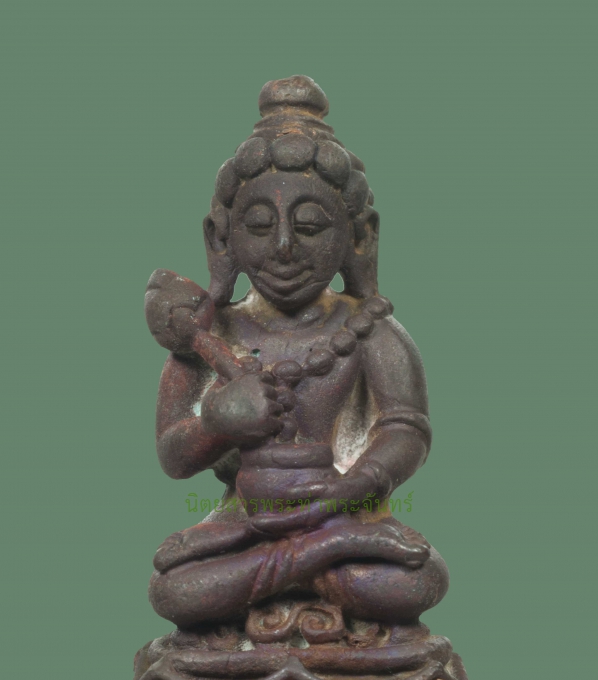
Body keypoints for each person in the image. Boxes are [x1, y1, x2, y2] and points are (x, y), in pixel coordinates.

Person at [145, 76, 448, 632]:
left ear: (359, 237)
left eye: (309, 226)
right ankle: (316, 559)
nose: (284, 247)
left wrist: (354, 488)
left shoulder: (371, 331)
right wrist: (215, 424)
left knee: (421, 580)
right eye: (260, 226)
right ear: (221, 238)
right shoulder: (208, 336)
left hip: (343, 509)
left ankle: (306, 557)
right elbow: (174, 457)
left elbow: (406, 430)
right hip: (244, 519)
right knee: (173, 591)